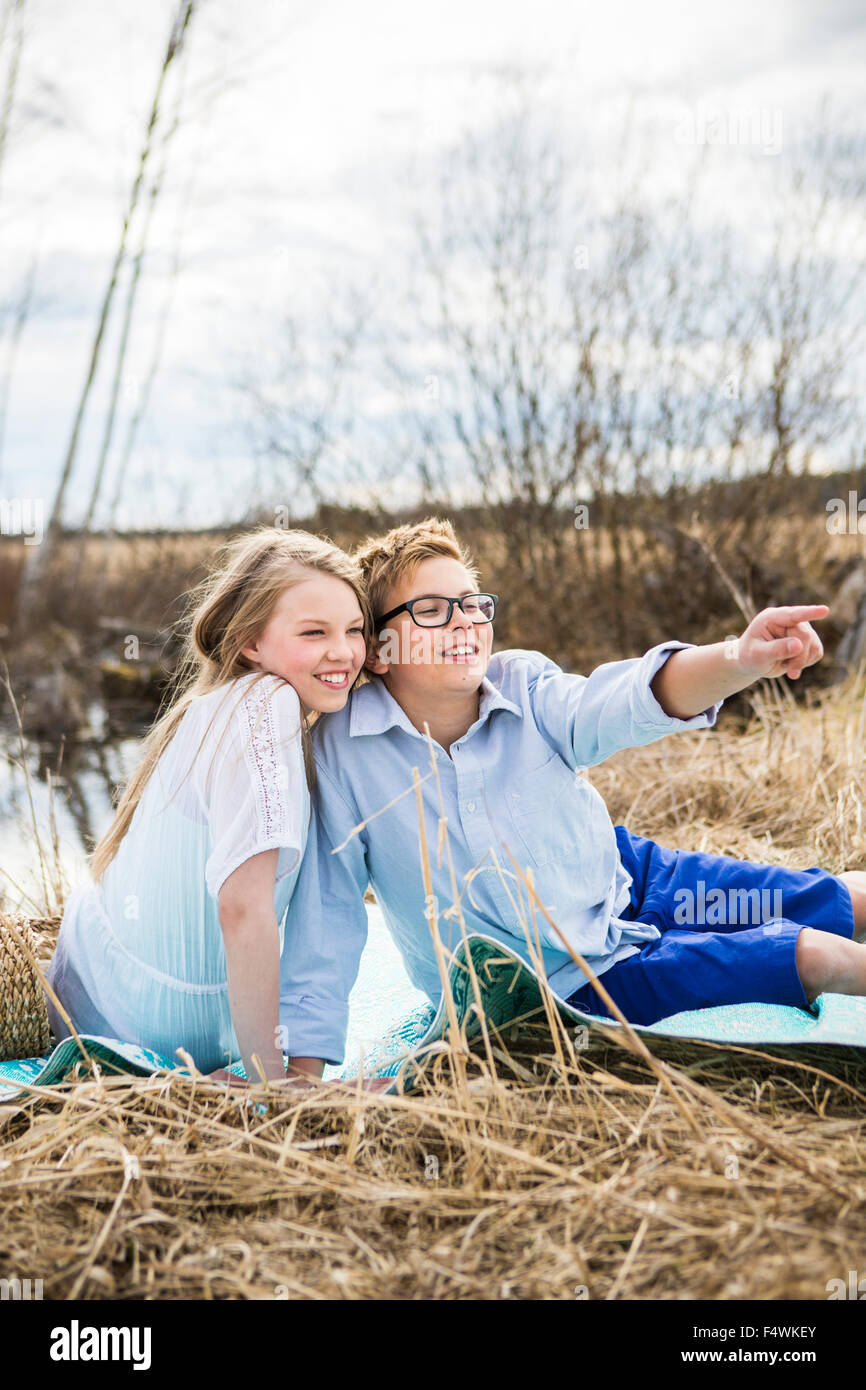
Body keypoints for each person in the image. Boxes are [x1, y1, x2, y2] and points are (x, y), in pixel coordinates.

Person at [278, 516, 866, 1073]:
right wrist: (303, 1074)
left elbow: (623, 701)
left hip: (630, 878)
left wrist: (740, 657)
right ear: (378, 650)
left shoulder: (525, 685)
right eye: (431, 610)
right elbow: (327, 914)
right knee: (809, 954)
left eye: (473, 605)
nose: (464, 622)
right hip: (578, 983)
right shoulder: (342, 751)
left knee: (820, 898)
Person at [43, 527, 370, 1085]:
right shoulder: (265, 706)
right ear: (250, 643)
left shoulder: (241, 704)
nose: (343, 651)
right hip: (118, 1020)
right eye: (314, 632)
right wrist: (271, 1085)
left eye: (356, 630)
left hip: (138, 1015)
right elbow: (242, 907)